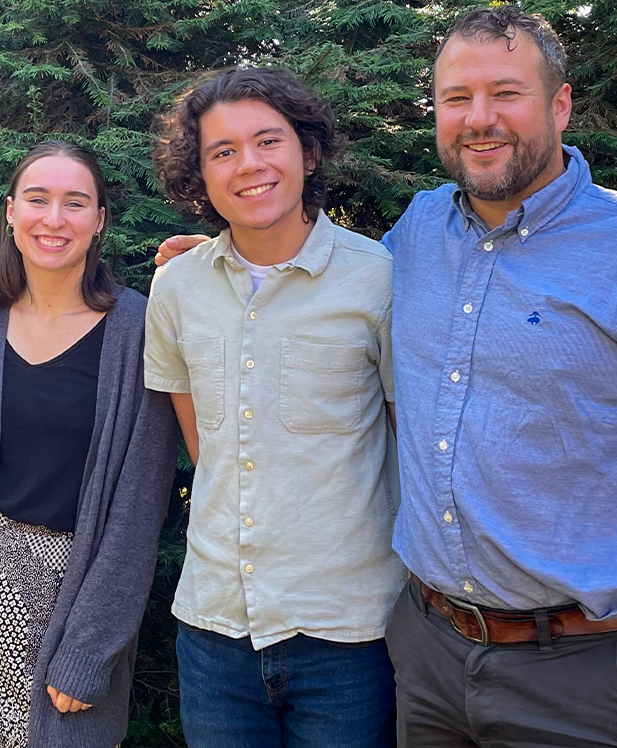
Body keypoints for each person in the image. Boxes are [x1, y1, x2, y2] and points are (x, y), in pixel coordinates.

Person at [158, 5, 617, 748]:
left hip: (588, 672)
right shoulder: (420, 235)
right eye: (457, 99)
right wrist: (219, 264)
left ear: (560, 104)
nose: (478, 119)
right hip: (428, 661)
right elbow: (304, 294)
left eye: (506, 93)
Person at [0, 141, 178, 748]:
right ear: (11, 213)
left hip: (71, 608)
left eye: (76, 203)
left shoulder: (138, 330)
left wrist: (92, 650)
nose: (54, 218)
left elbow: (138, 508)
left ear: (98, 221)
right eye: (38, 200)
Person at [143, 67, 400, 748]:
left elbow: (410, 439)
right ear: (198, 172)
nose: (247, 165)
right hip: (215, 630)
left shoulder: (378, 279)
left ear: (307, 152)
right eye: (222, 151)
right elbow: (207, 449)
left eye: (267, 142)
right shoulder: (177, 289)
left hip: (348, 635)